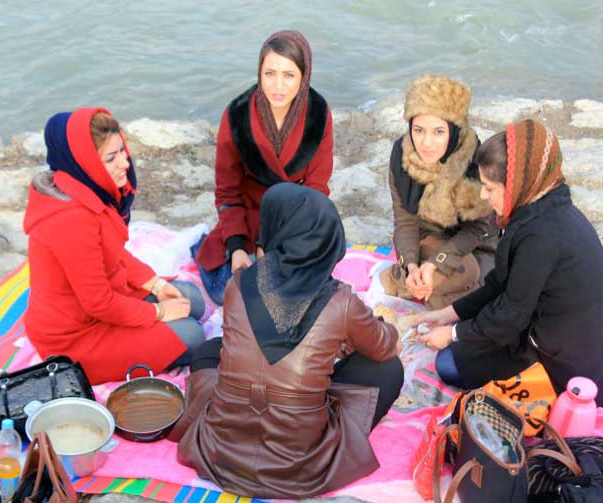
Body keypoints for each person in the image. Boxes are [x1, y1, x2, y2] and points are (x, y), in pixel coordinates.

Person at [171, 183, 403, 499]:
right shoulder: (342, 302)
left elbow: (260, 343)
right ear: (328, 240)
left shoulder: (239, 284)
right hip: (298, 463)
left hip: (222, 450)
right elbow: (384, 346)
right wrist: (380, 326)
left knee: (211, 350)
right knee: (388, 369)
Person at [414, 119, 603, 407]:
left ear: (515, 185)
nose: (484, 196)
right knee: (464, 348)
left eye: (489, 188)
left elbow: (509, 316)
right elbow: (502, 283)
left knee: (448, 362)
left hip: (573, 372)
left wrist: (451, 335)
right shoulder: (545, 209)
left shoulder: (540, 237)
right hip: (584, 347)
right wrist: (449, 313)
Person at [23, 107, 206, 384]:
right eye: (111, 158)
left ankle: (156, 329)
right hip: (75, 337)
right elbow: (98, 302)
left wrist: (156, 285)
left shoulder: (85, 188)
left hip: (104, 303)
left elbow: (114, 252)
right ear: (84, 163)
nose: (125, 164)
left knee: (191, 298)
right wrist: (157, 312)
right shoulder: (69, 220)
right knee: (192, 335)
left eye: (122, 151)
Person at [192, 30, 334, 305]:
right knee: (231, 296)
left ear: (304, 77)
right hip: (246, 219)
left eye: (289, 75)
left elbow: (316, 192)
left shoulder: (318, 114)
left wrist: (272, 246)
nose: (277, 85)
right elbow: (227, 191)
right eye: (269, 73)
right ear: (259, 72)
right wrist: (236, 247)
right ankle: (212, 244)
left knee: (300, 297)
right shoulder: (237, 114)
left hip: (294, 224)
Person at [381, 74, 497, 309]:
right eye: (419, 130)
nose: (426, 142)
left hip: (474, 243)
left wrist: (436, 264)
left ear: (453, 130)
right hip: (427, 236)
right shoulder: (402, 157)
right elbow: (405, 221)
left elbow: (478, 228)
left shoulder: (475, 161)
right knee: (430, 277)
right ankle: (417, 283)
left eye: (438, 132)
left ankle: (403, 284)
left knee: (472, 272)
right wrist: (412, 266)